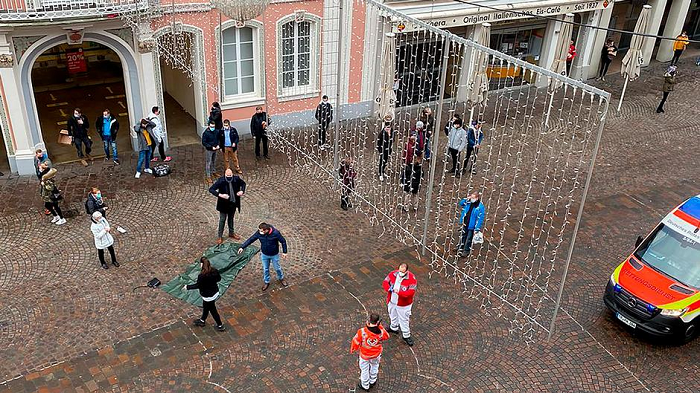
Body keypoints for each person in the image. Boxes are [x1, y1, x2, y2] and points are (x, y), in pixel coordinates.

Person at [238, 222, 289, 291]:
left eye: (261, 231)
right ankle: (266, 282)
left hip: (274, 254)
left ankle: (281, 278)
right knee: (266, 269)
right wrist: (242, 247)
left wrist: (285, 252)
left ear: (266, 230)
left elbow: (283, 241)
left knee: (277, 268)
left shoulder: (276, 233)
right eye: (259, 230)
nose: (260, 232)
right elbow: (251, 239)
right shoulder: (259, 232)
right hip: (264, 254)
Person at [350, 313, 390, 392]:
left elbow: (355, 341)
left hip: (365, 355)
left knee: (364, 369)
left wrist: (353, 349)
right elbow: (387, 336)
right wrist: (380, 326)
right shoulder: (381, 331)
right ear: (378, 322)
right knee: (375, 365)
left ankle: (365, 385)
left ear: (369, 320)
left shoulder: (362, 331)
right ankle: (373, 380)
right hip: (376, 354)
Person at [183, 257, 225, 332]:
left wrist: (187, 287)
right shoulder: (214, 271)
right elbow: (219, 279)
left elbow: (198, 285)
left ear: (202, 264)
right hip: (214, 292)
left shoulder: (202, 276)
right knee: (206, 306)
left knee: (212, 310)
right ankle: (202, 320)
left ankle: (220, 325)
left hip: (207, 296)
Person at [382, 263, 417, 346]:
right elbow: (385, 282)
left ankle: (406, 335)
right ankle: (394, 327)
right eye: (400, 270)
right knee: (392, 314)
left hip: (404, 305)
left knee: (404, 319)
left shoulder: (412, 279)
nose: (400, 273)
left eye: (403, 272)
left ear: (406, 271)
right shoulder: (393, 274)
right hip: (392, 301)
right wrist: (388, 288)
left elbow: (410, 293)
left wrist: (400, 292)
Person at [209, 168, 246, 244]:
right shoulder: (221, 181)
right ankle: (220, 236)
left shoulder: (236, 179)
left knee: (231, 218)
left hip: (233, 203)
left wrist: (242, 190)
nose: (229, 176)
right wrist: (220, 195)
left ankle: (231, 233)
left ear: (232, 174)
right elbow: (211, 189)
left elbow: (243, 184)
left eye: (230, 175)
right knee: (222, 220)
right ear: (225, 175)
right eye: (227, 175)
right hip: (223, 204)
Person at [457, 191, 486, 257]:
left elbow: (480, 218)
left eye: (473, 198)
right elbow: (461, 203)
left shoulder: (480, 207)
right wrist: (467, 199)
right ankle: (460, 247)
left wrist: (477, 228)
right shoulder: (468, 202)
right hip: (465, 222)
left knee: (469, 238)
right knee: (463, 235)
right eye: (471, 197)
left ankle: (466, 251)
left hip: (472, 225)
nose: (472, 199)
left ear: (477, 198)